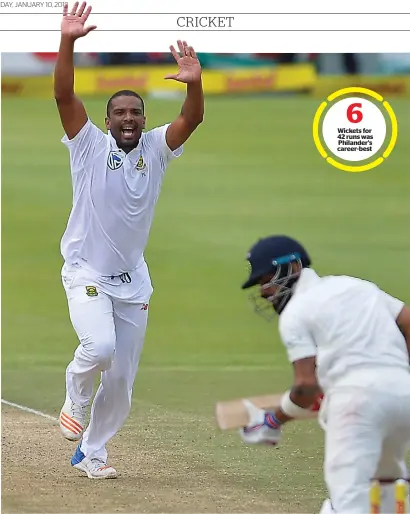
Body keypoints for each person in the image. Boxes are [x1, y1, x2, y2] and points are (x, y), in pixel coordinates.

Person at [54, 1, 204, 479]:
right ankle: (75, 394)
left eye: (134, 112)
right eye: (118, 112)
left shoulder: (157, 149)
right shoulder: (88, 146)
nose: (127, 118)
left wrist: (195, 83)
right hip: (86, 271)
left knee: (121, 382)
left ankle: (92, 452)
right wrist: (68, 41)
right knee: (97, 349)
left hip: (133, 282)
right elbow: (63, 97)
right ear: (106, 118)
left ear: (143, 118)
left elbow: (191, 120)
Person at [238, 234, 410, 513]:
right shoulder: (356, 286)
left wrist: (272, 421)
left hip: (356, 403)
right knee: (386, 485)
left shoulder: (295, 312)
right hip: (404, 395)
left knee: (349, 501)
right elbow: (408, 321)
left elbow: (306, 386)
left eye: (266, 279)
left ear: (293, 268)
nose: (264, 291)